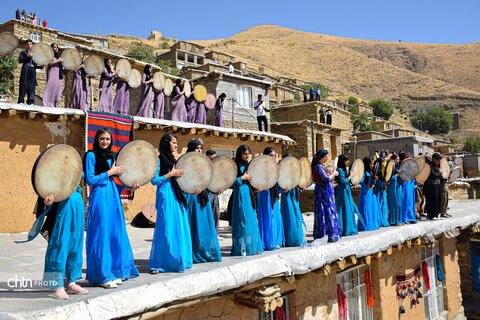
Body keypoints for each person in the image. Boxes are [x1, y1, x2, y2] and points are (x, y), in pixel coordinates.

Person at [84, 128, 140, 288]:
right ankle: (102, 275)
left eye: (108, 139)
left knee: (115, 233)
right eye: (102, 139)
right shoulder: (91, 155)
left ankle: (114, 271)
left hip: (113, 196)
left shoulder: (112, 157)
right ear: (97, 139)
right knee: (102, 234)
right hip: (100, 196)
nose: (105, 142)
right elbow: (90, 180)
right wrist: (109, 172)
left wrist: (130, 187)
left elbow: (115, 182)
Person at [17, 181, 87, 300]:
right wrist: (47, 201)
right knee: (60, 246)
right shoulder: (54, 163)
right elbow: (45, 181)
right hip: (62, 206)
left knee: (76, 246)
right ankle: (57, 286)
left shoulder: (75, 163)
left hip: (77, 203)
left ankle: (71, 282)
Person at [149, 134, 192, 272]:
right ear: (167, 143)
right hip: (165, 194)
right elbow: (154, 180)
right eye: (174, 143)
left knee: (178, 227)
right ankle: (159, 263)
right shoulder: (159, 160)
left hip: (177, 195)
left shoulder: (174, 160)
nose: (176, 146)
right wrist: (170, 175)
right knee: (166, 228)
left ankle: (177, 260)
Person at [185, 140, 222, 263]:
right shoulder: (185, 162)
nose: (199, 150)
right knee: (193, 226)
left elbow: (208, 180)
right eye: (197, 148)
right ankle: (193, 252)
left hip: (203, 197)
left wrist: (215, 191)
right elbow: (183, 180)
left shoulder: (204, 164)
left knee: (203, 227)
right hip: (192, 197)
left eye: (201, 148)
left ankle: (203, 251)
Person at [230, 145, 264, 256]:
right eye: (244, 153)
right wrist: (241, 178)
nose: (247, 155)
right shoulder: (234, 165)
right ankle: (241, 247)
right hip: (240, 195)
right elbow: (229, 182)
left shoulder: (250, 166)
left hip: (249, 196)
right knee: (242, 221)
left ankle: (251, 247)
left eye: (249, 153)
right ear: (239, 154)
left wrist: (256, 188)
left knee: (250, 221)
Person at [312, 149, 341, 242]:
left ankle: (331, 233)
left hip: (326, 191)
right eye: (326, 157)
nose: (327, 158)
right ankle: (326, 234)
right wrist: (334, 174)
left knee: (329, 211)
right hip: (322, 193)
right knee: (325, 210)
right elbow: (326, 178)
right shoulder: (318, 167)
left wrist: (331, 185)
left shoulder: (321, 166)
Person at [257, 147, 284, 250]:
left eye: (274, 155)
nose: (273, 157)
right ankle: (269, 242)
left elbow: (277, 186)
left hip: (274, 196)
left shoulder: (276, 168)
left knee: (275, 217)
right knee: (268, 217)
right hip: (265, 194)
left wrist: (282, 187)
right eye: (270, 155)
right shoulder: (262, 168)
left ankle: (276, 240)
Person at [280, 154, 305, 246]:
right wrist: (284, 188)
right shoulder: (282, 171)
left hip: (293, 195)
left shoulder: (294, 171)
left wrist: (301, 186)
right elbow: (280, 183)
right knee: (289, 215)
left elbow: (297, 181)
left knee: (296, 216)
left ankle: (297, 238)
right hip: (287, 196)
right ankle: (290, 239)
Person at [335, 154, 359, 236]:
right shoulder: (340, 170)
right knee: (344, 209)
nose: (348, 162)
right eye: (346, 160)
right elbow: (344, 181)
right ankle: (345, 229)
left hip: (346, 191)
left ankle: (348, 227)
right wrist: (351, 176)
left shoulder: (343, 169)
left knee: (348, 208)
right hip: (342, 192)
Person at [18, 40, 45, 105]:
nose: (29, 45)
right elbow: (20, 60)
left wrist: (42, 66)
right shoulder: (23, 52)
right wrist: (27, 55)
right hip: (26, 69)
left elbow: (36, 65)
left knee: (32, 85)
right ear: (26, 45)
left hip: (33, 70)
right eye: (27, 44)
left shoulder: (35, 54)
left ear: (32, 45)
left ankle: (30, 101)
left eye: (30, 44)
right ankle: (21, 101)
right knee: (24, 84)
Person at [358, 157, 380, 231]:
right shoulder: (363, 173)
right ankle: (366, 225)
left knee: (372, 208)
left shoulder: (371, 172)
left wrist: (375, 180)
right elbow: (361, 182)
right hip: (366, 193)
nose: (372, 165)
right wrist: (366, 187)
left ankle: (372, 224)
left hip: (372, 193)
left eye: (373, 164)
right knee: (366, 208)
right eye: (371, 164)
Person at [42, 43, 64, 107]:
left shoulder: (59, 57)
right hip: (52, 74)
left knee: (57, 90)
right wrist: (58, 61)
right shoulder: (50, 56)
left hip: (59, 76)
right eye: (54, 47)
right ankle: (47, 104)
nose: (56, 48)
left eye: (57, 47)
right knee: (50, 88)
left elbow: (62, 67)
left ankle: (55, 105)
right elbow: (49, 63)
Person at [424, 153, 443, 220]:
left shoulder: (436, 166)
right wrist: (440, 172)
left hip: (436, 185)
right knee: (432, 200)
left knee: (437, 200)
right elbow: (434, 175)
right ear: (434, 160)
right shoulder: (430, 166)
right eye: (438, 160)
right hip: (431, 186)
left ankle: (436, 213)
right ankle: (431, 214)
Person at [387, 155, 404, 225]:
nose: (398, 161)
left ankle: (399, 220)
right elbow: (388, 178)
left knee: (399, 203)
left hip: (397, 187)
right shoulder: (389, 168)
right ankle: (393, 221)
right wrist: (397, 175)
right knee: (394, 203)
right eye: (396, 159)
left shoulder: (396, 168)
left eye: (398, 159)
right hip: (392, 187)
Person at [206, 150, 220, 232]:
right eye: (213, 156)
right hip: (207, 192)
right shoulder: (205, 167)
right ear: (208, 156)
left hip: (215, 192)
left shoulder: (216, 167)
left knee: (216, 213)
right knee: (209, 213)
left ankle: (215, 233)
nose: (215, 158)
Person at [373, 158, 390, 227]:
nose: (383, 163)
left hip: (381, 189)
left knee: (382, 204)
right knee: (380, 204)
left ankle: (382, 220)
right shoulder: (378, 171)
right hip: (379, 189)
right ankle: (381, 221)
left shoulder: (382, 170)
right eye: (382, 162)